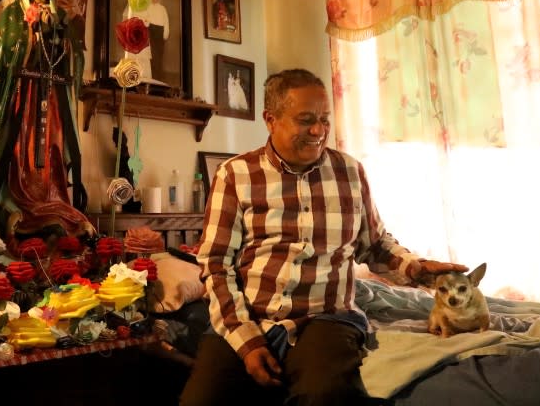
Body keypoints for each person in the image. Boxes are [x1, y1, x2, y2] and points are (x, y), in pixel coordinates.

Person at [180, 69, 467, 406]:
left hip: (327, 316)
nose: (318, 131)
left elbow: (373, 245)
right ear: (270, 120)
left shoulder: (350, 171)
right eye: (306, 120)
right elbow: (216, 265)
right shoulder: (235, 175)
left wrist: (417, 268)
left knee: (323, 396)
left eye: (324, 120)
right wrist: (248, 342)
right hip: (249, 314)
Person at [0, 0, 94, 252]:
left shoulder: (60, 18)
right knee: (21, 149)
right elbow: (8, 51)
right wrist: (33, 31)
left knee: (53, 149)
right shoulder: (13, 14)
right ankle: (19, 205)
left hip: (52, 99)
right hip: (24, 95)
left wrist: (56, 31)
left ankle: (54, 203)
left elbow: (73, 56)